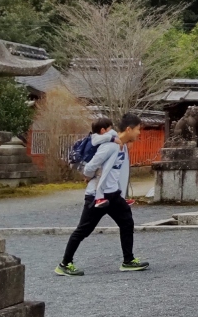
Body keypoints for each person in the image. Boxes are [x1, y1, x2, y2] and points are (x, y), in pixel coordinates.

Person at [56, 113, 149, 276]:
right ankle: (64, 264)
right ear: (129, 129)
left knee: (127, 222)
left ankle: (128, 260)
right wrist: (90, 176)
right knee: (84, 229)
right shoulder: (110, 146)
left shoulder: (122, 146)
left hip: (113, 195)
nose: (139, 133)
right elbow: (89, 168)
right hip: (98, 195)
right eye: (138, 129)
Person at [88, 117, 114, 208]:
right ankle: (98, 198)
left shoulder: (99, 137)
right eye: (110, 129)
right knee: (99, 177)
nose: (111, 131)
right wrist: (113, 138)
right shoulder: (97, 138)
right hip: (93, 166)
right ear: (103, 130)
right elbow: (92, 165)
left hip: (94, 166)